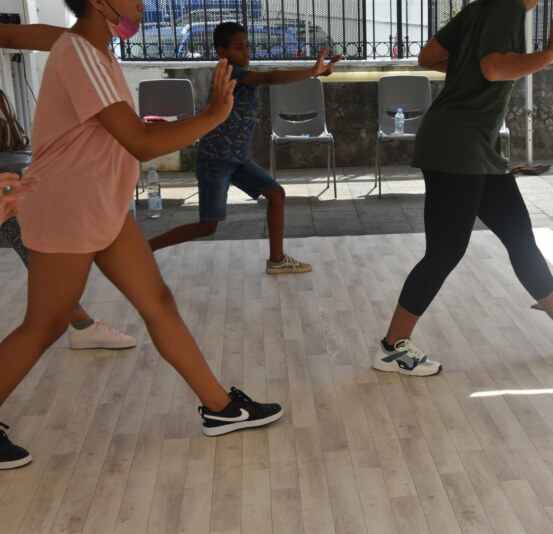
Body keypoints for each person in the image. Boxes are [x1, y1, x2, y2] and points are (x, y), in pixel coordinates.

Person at [0, 0, 282, 470]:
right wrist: (214, 113)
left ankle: (221, 408)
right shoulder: (80, 55)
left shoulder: (93, 49)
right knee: (45, 324)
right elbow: (141, 142)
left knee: (159, 302)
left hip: (101, 202)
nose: (143, 4)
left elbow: (16, 37)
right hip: (69, 205)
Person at [374, 0, 553, 377]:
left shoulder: (478, 8)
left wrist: (470, 70)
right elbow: (494, 66)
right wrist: (550, 53)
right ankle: (392, 347)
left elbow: (429, 56)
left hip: (475, 145)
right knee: (445, 251)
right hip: (459, 145)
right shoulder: (507, 7)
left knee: (518, 235)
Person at [149, 22, 342, 274]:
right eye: (239, 47)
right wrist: (312, 71)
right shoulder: (230, 72)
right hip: (216, 159)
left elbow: (270, 78)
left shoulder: (240, 72)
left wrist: (314, 72)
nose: (247, 52)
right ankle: (143, 249)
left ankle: (277, 260)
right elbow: (271, 78)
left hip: (236, 159)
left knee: (276, 194)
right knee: (207, 226)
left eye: (248, 46)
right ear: (222, 51)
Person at [0, 23, 136, 350]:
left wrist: (91, 40)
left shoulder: (80, 48)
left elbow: (23, 35)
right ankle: (79, 322)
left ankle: (81, 323)